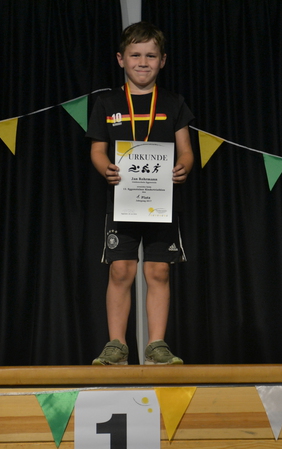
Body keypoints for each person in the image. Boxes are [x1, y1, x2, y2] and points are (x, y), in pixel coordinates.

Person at [86, 21, 194, 365]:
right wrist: (105, 168)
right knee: (121, 270)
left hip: (161, 203)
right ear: (121, 59)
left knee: (158, 271)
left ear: (162, 60)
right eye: (135, 55)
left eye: (150, 55)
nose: (143, 62)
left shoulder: (173, 103)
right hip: (122, 202)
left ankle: (157, 345)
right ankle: (116, 344)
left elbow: (186, 150)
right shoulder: (107, 102)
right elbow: (97, 150)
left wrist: (184, 167)